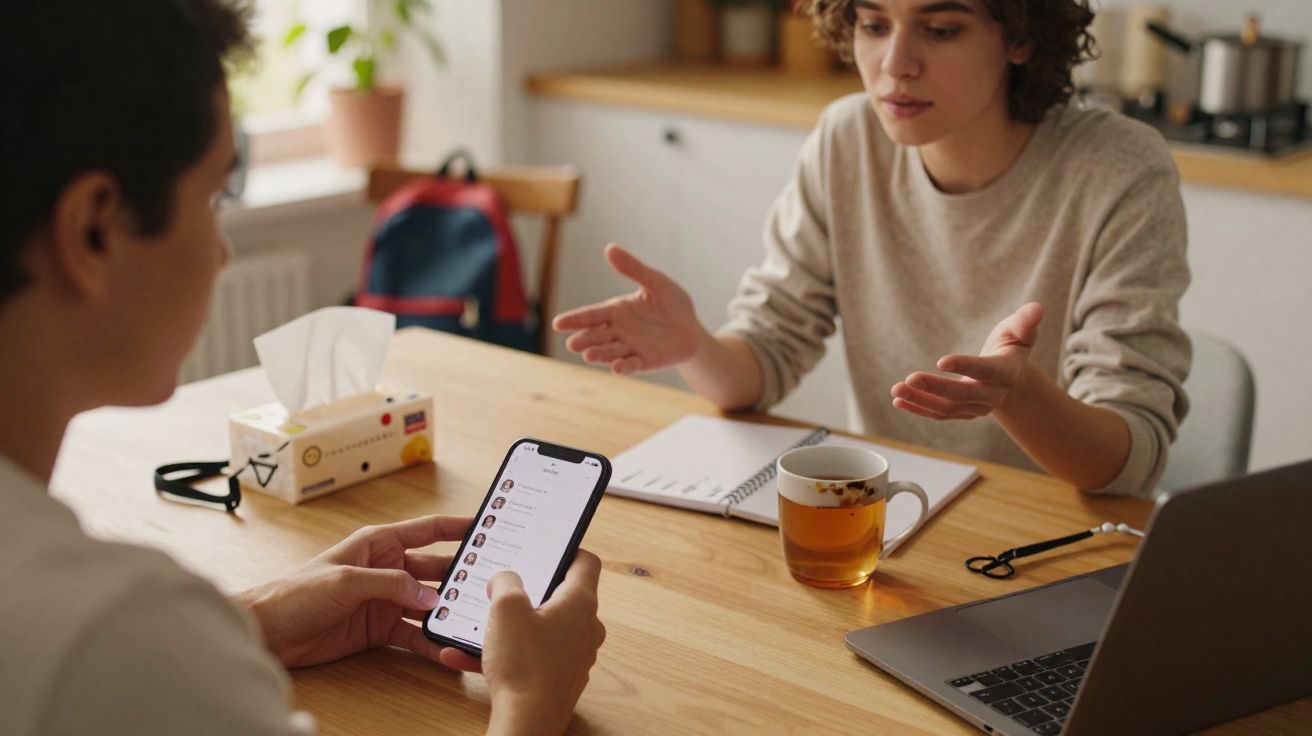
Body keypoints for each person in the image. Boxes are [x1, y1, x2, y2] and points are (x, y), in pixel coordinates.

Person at [0, 2, 605, 735]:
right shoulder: (109, 632)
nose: (222, 253)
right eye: (214, 198)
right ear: (93, 230)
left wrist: (252, 619)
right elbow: (115, 661)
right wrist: (529, 704)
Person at [554, 0, 1189, 497]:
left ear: (1020, 37)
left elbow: (1125, 464)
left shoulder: (1117, 168)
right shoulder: (847, 138)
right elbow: (764, 360)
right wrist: (695, 344)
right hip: (901, 517)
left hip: (1054, 545)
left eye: (940, 30)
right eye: (873, 24)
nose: (895, 64)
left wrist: (1018, 396)